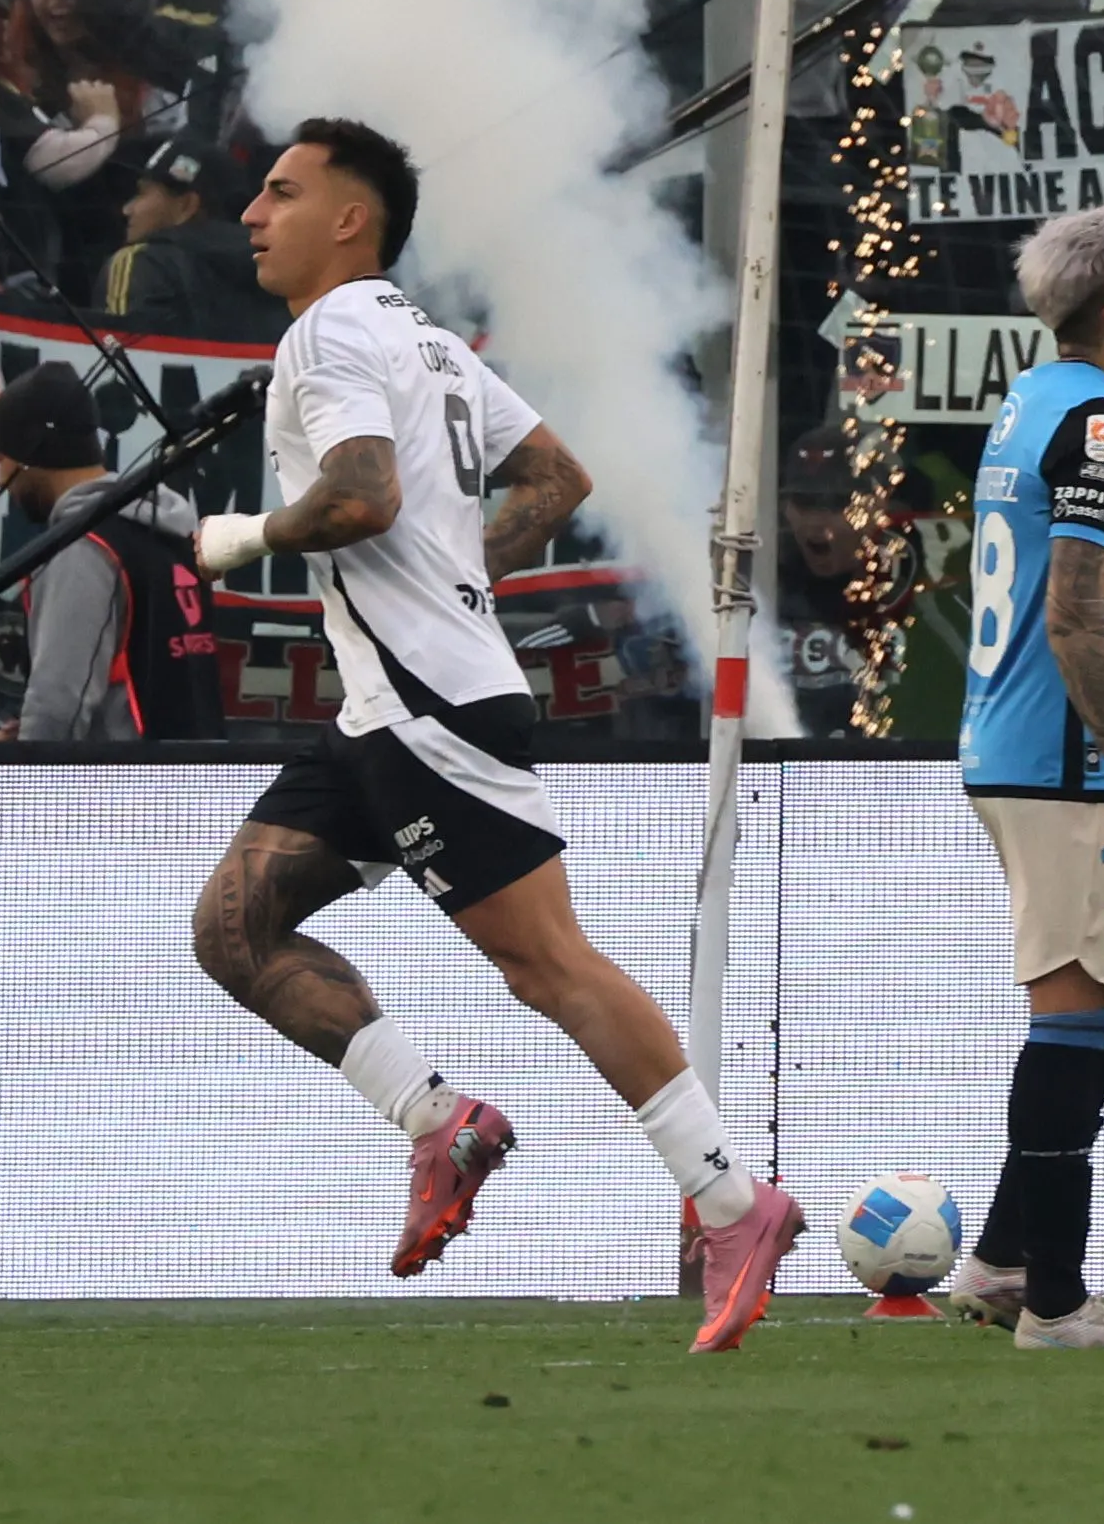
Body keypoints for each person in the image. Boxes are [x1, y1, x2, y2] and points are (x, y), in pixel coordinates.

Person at [177, 119, 803, 1349]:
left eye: (280, 191)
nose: (251, 212)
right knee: (233, 927)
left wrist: (244, 538)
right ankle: (435, 1121)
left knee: (548, 967)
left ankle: (734, 1201)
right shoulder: (431, 345)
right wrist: (459, 576)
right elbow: (556, 478)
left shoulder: (331, 331)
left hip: (428, 708)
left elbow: (362, 493)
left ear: (350, 218)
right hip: (384, 703)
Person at [937, 200, 1104, 1352]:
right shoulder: (1102, 428)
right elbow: (1076, 615)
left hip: (1022, 749)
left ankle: (998, 1256)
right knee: (1074, 1010)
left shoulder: (1029, 402)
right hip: (1061, 765)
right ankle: (1052, 1300)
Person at [0, 362, 220, 744]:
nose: (0, 479)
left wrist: (20, 772)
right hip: (197, 783)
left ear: (28, 455)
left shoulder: (82, 549)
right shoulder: (174, 533)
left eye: (1, 459)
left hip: (119, 794)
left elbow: (58, 705)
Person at [99, 139, 280, 343]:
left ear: (186, 206)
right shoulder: (282, 270)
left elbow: (121, 357)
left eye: (142, 193)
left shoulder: (140, 261)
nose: (127, 209)